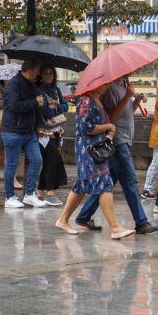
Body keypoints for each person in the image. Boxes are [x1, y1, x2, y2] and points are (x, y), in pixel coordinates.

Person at [75, 76, 158, 235]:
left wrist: (135, 101)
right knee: (129, 180)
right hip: (117, 140)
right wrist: (127, 96)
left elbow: (126, 112)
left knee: (109, 181)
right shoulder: (109, 88)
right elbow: (111, 117)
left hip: (125, 139)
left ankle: (84, 215)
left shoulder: (124, 83)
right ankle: (141, 222)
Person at [54, 84, 135, 239]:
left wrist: (108, 128)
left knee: (82, 185)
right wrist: (108, 126)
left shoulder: (96, 99)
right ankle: (115, 228)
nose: (107, 85)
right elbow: (87, 127)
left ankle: (63, 220)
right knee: (104, 184)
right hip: (89, 150)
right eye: (104, 82)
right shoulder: (86, 101)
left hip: (95, 149)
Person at [1, 60, 46, 208]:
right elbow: (14, 106)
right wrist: (34, 102)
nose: (39, 73)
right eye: (38, 70)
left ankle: (29, 195)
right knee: (12, 165)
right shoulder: (13, 85)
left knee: (37, 160)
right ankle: (9, 197)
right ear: (30, 70)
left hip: (29, 131)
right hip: (13, 131)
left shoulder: (31, 84)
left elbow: (34, 104)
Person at [35, 65, 68, 206]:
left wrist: (56, 107)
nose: (48, 75)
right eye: (45, 73)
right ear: (40, 75)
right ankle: (51, 193)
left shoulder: (56, 89)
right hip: (43, 132)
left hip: (56, 130)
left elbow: (65, 106)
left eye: (51, 73)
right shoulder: (37, 90)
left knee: (49, 161)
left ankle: (40, 192)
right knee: (54, 160)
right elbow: (44, 112)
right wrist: (53, 109)